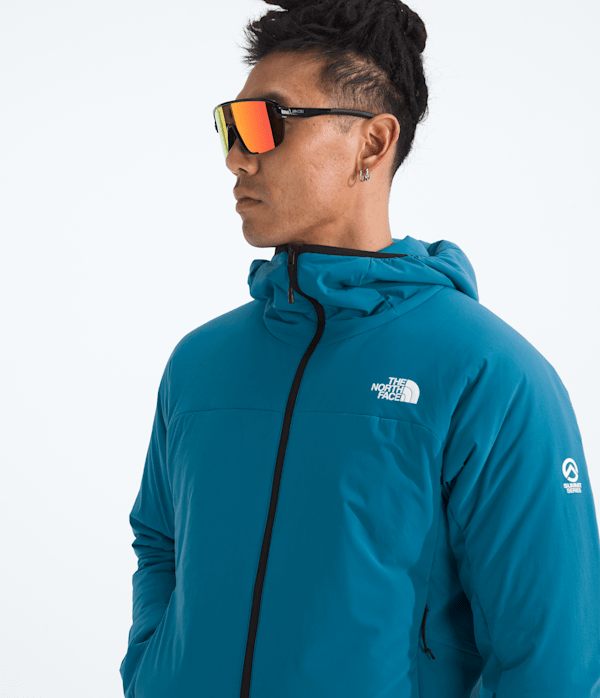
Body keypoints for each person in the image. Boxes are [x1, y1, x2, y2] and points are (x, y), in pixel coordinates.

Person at [119, 1, 600, 697]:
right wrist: (153, 669)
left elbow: (551, 663)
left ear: (372, 144)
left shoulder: (487, 375)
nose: (236, 156)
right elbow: (160, 543)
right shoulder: (199, 363)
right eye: (230, 124)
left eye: (265, 122)